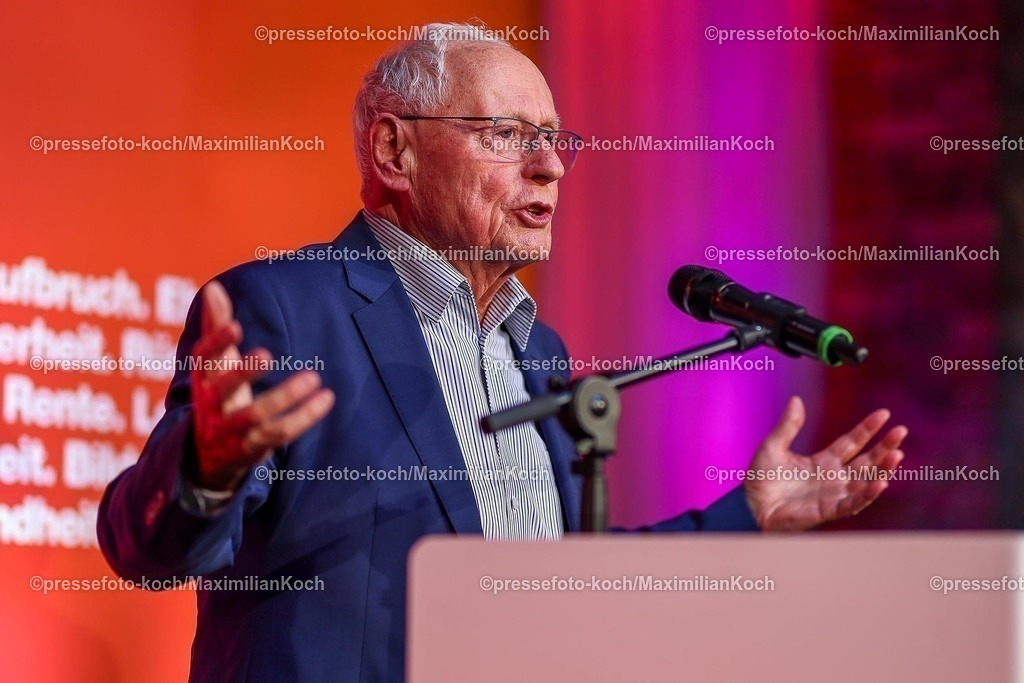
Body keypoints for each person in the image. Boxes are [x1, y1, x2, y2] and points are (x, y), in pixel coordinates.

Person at [98, 22, 907, 682]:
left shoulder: (538, 350)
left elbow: (567, 582)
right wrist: (203, 470)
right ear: (394, 152)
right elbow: (146, 552)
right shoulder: (284, 310)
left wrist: (748, 512)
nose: (550, 166)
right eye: (509, 135)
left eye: (555, 140)